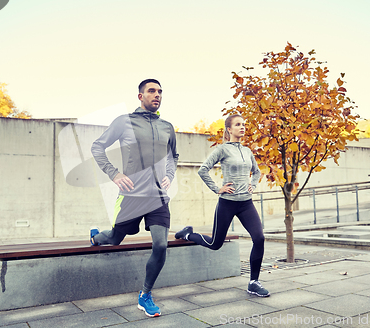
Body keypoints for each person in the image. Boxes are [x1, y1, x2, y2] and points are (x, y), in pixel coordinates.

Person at [90, 79, 179, 317]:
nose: (157, 94)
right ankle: (96, 237)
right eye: (152, 91)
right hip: (130, 195)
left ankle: (145, 294)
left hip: (158, 197)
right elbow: (97, 147)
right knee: (114, 238)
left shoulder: (167, 127)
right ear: (140, 96)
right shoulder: (124, 122)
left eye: (160, 91)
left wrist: (169, 174)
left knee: (160, 245)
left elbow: (173, 156)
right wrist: (114, 173)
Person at [175, 114, 270, 297]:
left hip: (246, 203)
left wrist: (253, 184)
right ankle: (187, 234)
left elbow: (257, 172)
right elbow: (203, 170)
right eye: (237, 124)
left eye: (243, 124)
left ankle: (253, 282)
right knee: (215, 243)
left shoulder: (248, 151)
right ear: (229, 129)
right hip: (227, 204)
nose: (242, 127)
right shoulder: (222, 150)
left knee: (259, 238)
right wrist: (217, 189)